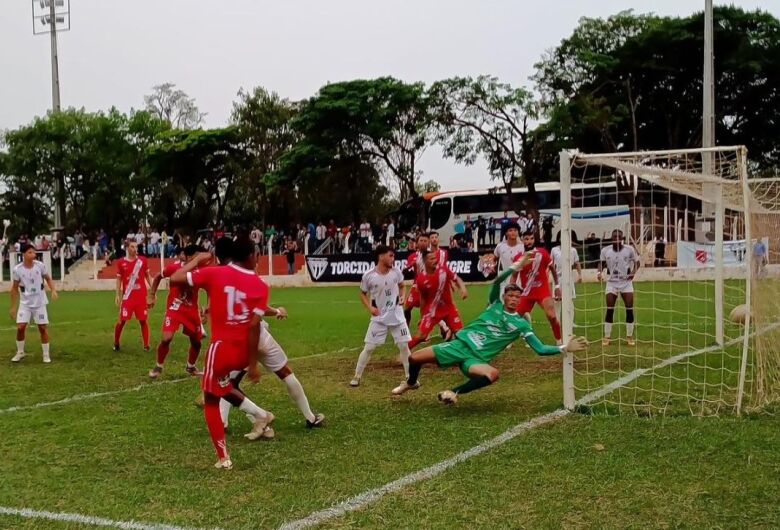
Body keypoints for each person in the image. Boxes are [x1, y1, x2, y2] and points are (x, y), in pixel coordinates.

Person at [392, 259, 587, 402]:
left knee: (492, 374)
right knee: (413, 359)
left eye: (517, 297)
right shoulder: (494, 304)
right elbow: (495, 282)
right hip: (459, 345)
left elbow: (541, 349)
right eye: (510, 296)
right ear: (505, 297)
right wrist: (516, 266)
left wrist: (564, 347)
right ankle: (411, 382)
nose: (514, 299)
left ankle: (454, 393)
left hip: (475, 359)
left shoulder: (521, 324)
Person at [170, 237, 274, 470]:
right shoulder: (260, 285)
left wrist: (196, 259)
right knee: (224, 385)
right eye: (257, 254)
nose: (258, 258)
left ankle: (223, 457)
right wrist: (253, 364)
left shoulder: (216, 273)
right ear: (249, 256)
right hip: (242, 353)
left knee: (210, 399)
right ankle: (261, 414)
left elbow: (175, 278)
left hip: (221, 350)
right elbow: (255, 325)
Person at [220, 262, 325, 431]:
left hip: (242, 340)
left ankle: (225, 422)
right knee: (285, 372)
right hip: (259, 336)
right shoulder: (251, 280)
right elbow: (258, 309)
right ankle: (310, 418)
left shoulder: (225, 282)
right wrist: (277, 311)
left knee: (229, 383)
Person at [350, 245, 412, 387]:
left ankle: (410, 377)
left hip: (397, 316)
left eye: (393, 256)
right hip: (379, 318)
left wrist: (402, 296)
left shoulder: (396, 272)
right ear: (381, 256)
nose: (393, 258)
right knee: (370, 347)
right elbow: (362, 293)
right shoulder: (369, 276)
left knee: (403, 345)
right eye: (390, 255)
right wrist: (369, 307)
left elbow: (403, 286)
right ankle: (357, 376)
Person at [147, 244, 205, 379]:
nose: (199, 259)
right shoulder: (175, 267)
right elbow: (157, 277)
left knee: (196, 342)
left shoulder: (201, 270)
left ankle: (191, 367)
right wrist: (151, 294)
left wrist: (207, 308)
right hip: (175, 307)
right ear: (189, 256)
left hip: (191, 310)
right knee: (166, 338)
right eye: (197, 256)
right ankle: (158, 366)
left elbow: (209, 288)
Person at [407, 250, 468, 349]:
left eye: (435, 258)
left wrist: (463, 288)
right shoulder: (421, 279)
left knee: (460, 333)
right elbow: (423, 300)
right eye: (432, 259)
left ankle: (467, 354)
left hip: (448, 309)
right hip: (431, 312)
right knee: (421, 336)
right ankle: (404, 352)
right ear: (425, 261)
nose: (435, 260)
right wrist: (422, 317)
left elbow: (457, 279)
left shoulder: (444, 270)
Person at [511, 231, 562, 344]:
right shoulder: (519, 258)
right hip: (526, 293)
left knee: (552, 316)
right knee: (512, 318)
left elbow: (552, 269)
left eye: (531, 239)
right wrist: (511, 290)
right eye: (526, 239)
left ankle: (559, 342)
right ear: (522, 240)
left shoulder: (542, 253)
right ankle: (507, 341)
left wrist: (557, 286)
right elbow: (514, 276)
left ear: (534, 239)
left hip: (542, 291)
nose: (529, 241)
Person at [10, 244, 58, 363]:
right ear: (24, 254)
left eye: (34, 252)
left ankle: (46, 354)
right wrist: (13, 307)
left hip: (39, 301)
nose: (33, 254)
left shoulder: (40, 266)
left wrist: (53, 290)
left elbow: (48, 278)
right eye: (30, 252)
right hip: (25, 302)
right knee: (20, 327)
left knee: (42, 328)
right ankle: (20, 352)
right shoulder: (17, 269)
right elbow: (14, 288)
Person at [598, 229, 641, 346]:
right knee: (610, 308)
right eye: (614, 237)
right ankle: (607, 336)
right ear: (612, 238)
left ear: (622, 238)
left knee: (629, 308)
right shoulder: (605, 251)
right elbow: (601, 263)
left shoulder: (629, 250)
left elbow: (637, 262)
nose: (617, 239)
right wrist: (599, 272)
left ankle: (629, 336)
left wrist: (633, 272)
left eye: (619, 237)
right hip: (611, 282)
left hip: (626, 282)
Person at [113, 240, 153, 352]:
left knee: (143, 320)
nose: (135, 249)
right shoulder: (121, 262)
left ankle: (146, 345)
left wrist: (153, 291)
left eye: (136, 247)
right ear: (127, 248)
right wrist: (117, 294)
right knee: (122, 321)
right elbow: (119, 278)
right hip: (128, 296)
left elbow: (147, 276)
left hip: (141, 296)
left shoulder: (142, 261)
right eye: (132, 247)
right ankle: (116, 343)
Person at [551, 241, 582, 323]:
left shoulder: (573, 250)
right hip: (558, 278)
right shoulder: (554, 250)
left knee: (569, 302)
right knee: (557, 301)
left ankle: (570, 324)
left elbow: (577, 262)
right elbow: (551, 264)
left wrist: (580, 275)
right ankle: (556, 323)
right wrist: (547, 275)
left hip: (569, 279)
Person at [493, 222, 524, 295]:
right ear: (506, 233)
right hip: (504, 282)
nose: (513, 232)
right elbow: (495, 259)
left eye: (515, 230)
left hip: (520, 282)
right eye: (510, 230)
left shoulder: (523, 247)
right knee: (505, 305)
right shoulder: (500, 247)